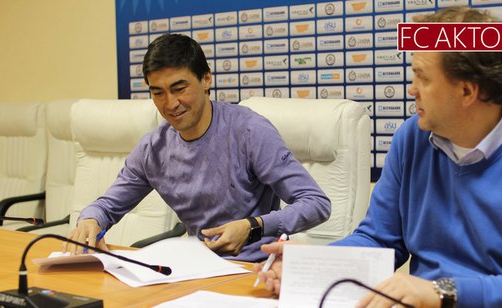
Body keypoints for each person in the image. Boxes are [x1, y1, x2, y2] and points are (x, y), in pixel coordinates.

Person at [254, 6, 502, 308]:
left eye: (422, 78)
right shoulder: (413, 138)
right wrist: (315, 264)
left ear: (467, 91)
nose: (412, 89)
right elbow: (380, 239)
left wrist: (443, 294)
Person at [67, 34, 331, 262]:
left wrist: (253, 227)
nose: (170, 104)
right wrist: (90, 220)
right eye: (158, 93)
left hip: (255, 269)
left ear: (206, 79)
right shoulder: (152, 149)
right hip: (195, 269)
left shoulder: (250, 131)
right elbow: (106, 206)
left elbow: (316, 203)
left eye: (179, 89)